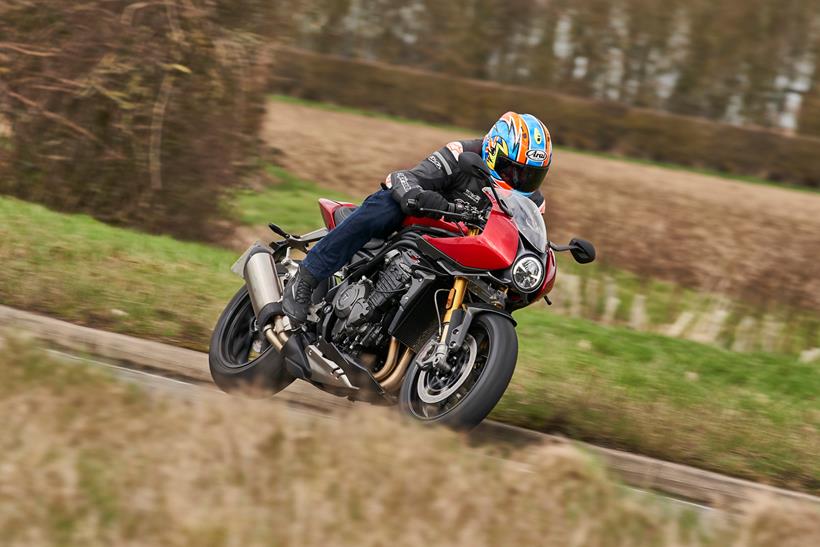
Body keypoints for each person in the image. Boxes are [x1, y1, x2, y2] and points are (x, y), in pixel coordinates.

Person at [282, 111, 553, 324]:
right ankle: (306, 276)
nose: (519, 180)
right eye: (512, 170)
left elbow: (526, 240)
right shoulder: (462, 154)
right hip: (424, 228)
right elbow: (407, 176)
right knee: (387, 203)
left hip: (465, 252)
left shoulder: (534, 201)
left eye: (531, 175)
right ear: (493, 151)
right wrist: (418, 196)